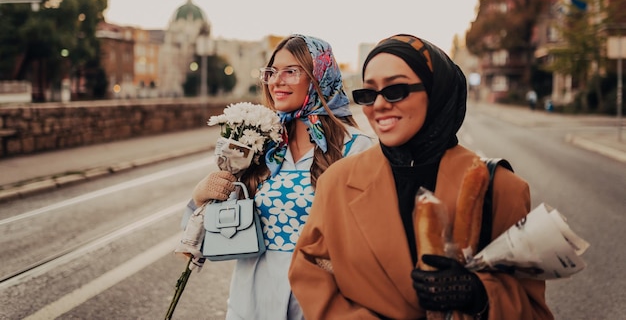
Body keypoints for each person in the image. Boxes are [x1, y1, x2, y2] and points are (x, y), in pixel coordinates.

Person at [288, 34, 554, 319]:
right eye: (368, 93)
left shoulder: (500, 187)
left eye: (396, 90)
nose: (378, 105)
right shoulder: (336, 183)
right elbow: (309, 270)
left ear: (435, 91)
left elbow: (533, 310)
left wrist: (480, 296)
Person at [189, 34, 374, 319]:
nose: (276, 81)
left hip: (321, 305)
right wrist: (201, 198)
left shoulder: (356, 148)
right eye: (272, 72)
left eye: (291, 71)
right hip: (251, 302)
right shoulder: (259, 145)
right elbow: (211, 230)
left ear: (320, 78)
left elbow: (373, 239)